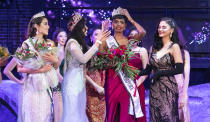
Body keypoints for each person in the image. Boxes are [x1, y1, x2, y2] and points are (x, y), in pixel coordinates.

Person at [61, 12, 110, 122]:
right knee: (73, 113)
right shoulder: (72, 43)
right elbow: (83, 59)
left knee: (79, 112)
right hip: (72, 82)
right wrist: (97, 42)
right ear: (79, 28)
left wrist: (101, 36)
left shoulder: (77, 43)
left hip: (79, 81)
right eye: (84, 25)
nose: (86, 28)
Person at [102, 7, 147, 122]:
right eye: (116, 22)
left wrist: (130, 19)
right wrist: (103, 31)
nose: (119, 25)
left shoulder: (129, 41)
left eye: (122, 22)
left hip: (126, 82)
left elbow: (142, 32)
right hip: (112, 80)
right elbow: (101, 59)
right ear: (112, 24)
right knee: (113, 110)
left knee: (125, 114)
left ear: (125, 26)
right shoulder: (107, 41)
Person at [139, 17, 184, 122]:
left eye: (164, 27)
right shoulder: (153, 48)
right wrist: (134, 72)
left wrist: (159, 73)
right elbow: (148, 69)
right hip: (154, 89)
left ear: (171, 30)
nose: (160, 29)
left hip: (168, 87)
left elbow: (179, 69)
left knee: (168, 117)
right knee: (155, 117)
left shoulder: (174, 46)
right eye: (159, 27)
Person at [17, 11, 59, 122]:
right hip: (31, 87)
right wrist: (39, 70)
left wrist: (55, 60)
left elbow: (55, 66)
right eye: (45, 24)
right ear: (36, 26)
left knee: (45, 116)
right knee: (32, 116)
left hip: (45, 88)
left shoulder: (49, 43)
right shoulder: (27, 44)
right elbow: (19, 68)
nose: (48, 26)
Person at [86, 28, 106, 122]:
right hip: (91, 92)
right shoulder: (87, 51)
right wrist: (96, 86)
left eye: (101, 34)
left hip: (104, 94)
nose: (99, 37)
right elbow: (82, 73)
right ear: (91, 37)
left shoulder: (107, 53)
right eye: (96, 34)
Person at [175, 27, 191, 122]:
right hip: (165, 89)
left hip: (180, 89)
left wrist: (184, 95)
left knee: (181, 116)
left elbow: (187, 75)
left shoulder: (184, 53)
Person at [52, 28, 67, 122]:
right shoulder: (56, 51)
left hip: (66, 85)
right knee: (59, 114)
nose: (63, 38)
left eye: (65, 36)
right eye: (60, 36)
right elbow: (56, 72)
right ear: (56, 38)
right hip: (58, 86)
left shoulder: (67, 51)